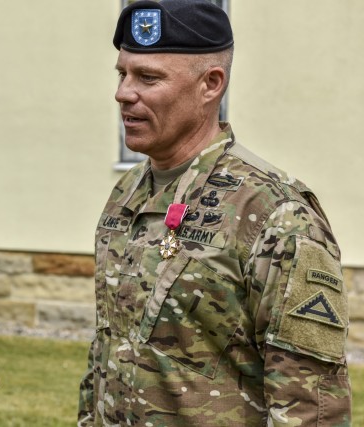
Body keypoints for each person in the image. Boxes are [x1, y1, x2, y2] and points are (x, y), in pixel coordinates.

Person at [78, 1, 351, 426]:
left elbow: (311, 404)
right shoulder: (128, 192)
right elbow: (108, 350)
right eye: (123, 74)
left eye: (148, 78)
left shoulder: (274, 212)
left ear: (210, 84)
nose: (123, 92)